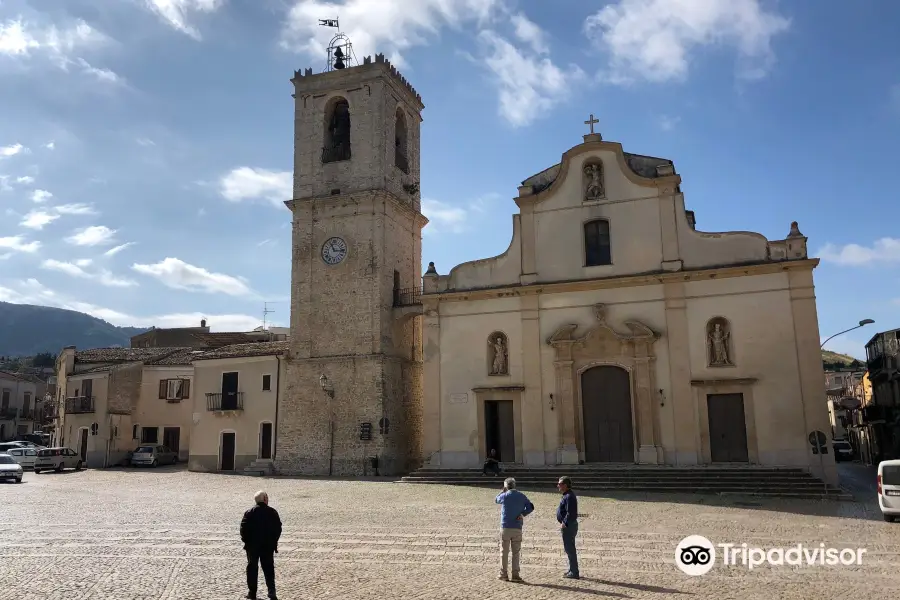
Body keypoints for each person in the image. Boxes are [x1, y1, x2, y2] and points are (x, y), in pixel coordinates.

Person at [240, 490, 282, 600]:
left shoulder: (249, 512)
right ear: (264, 499)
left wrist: (247, 542)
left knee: (252, 569)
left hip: (252, 547)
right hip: (267, 546)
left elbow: (243, 529)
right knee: (269, 569)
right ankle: (271, 592)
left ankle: (252, 593)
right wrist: (274, 541)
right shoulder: (272, 512)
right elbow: (278, 528)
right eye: (267, 497)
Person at [495, 477, 534, 583]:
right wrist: (523, 514)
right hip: (517, 526)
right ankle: (515, 574)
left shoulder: (504, 495)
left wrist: (502, 491)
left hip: (506, 526)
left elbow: (496, 500)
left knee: (504, 552)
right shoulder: (521, 496)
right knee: (516, 553)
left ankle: (504, 574)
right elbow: (531, 507)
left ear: (506, 486)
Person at [556, 476, 579, 579]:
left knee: (570, 549)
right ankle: (571, 569)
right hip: (568, 525)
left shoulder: (569, 496)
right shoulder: (567, 495)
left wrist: (564, 522)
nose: (558, 486)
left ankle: (574, 572)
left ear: (565, 485)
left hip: (569, 526)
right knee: (569, 549)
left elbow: (570, 512)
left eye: (560, 484)